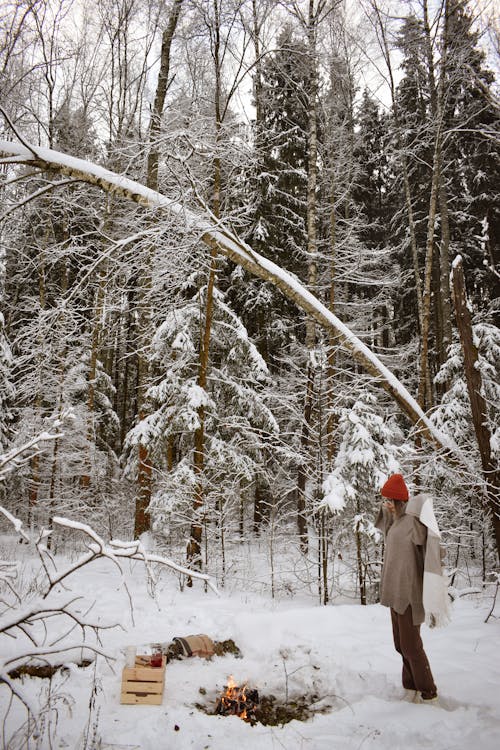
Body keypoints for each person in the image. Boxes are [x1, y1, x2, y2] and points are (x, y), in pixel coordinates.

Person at [375, 473, 450, 704]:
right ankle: (411, 687)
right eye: (384, 499)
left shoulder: (412, 522)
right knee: (400, 645)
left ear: (400, 501)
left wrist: (421, 506)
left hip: (409, 593)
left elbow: (432, 544)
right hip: (394, 592)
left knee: (412, 646)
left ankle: (429, 692)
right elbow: (380, 519)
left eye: (390, 500)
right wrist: (389, 506)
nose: (386, 504)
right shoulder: (394, 521)